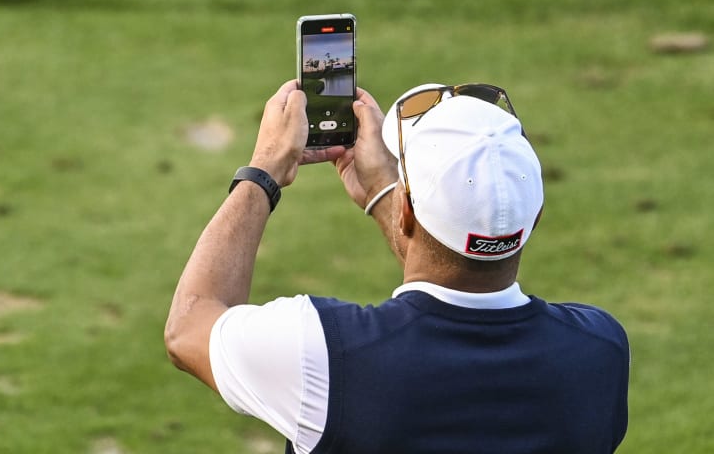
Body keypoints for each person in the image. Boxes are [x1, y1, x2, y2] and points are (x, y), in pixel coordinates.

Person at [165, 80, 629, 453]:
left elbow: (189, 325)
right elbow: (456, 271)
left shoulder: (325, 355)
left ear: (407, 212)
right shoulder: (600, 352)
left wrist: (265, 170)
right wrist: (386, 192)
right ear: (536, 217)